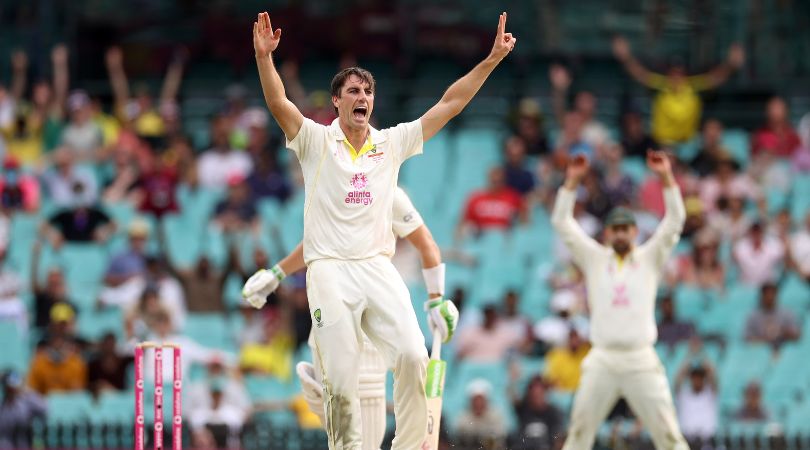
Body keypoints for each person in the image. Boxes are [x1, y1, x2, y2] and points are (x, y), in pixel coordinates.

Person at [245, 10, 513, 450]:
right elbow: (278, 104)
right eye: (353, 90)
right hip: (329, 270)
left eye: (368, 90)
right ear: (337, 101)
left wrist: (490, 60)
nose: (362, 96)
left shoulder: (391, 144)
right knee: (343, 378)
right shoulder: (314, 140)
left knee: (413, 356)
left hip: (376, 267)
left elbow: (450, 103)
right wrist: (264, 59)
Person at [244, 186, 454, 450]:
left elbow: (426, 244)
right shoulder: (334, 187)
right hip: (333, 318)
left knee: (366, 437)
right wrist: (276, 273)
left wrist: (436, 298)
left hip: (371, 332)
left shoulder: (387, 192)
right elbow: (315, 243)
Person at [552, 150, 689, 450]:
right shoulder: (595, 259)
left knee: (669, 437)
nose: (621, 235)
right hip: (602, 358)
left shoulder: (650, 257)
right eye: (615, 229)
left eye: (626, 229)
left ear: (635, 232)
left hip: (641, 358)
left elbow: (676, 220)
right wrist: (572, 182)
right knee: (578, 437)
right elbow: (562, 222)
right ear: (607, 233)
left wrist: (666, 177)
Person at [612, 36, 744, 145]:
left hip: (688, 145)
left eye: (680, 72)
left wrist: (730, 65)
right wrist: (626, 58)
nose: (677, 76)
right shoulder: (661, 85)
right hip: (662, 143)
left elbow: (714, 79)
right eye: (673, 72)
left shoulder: (692, 86)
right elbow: (641, 74)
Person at [459, 167, 526, 236]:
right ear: (488, 179)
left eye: (498, 181)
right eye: (493, 181)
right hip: (480, 238)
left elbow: (523, 223)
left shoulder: (513, 197)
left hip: (505, 238)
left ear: (504, 180)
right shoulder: (476, 198)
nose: (496, 183)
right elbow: (463, 223)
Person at [511, 376, 563, 450]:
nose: (537, 395)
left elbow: (557, 437)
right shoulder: (523, 410)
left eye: (540, 393)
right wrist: (514, 380)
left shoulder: (554, 413)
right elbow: (513, 396)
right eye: (534, 394)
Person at [453, 378, 508, 450]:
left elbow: (501, 435)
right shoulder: (463, 416)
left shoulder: (496, 415)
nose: (478, 403)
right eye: (475, 400)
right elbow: (458, 434)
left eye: (481, 400)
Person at [0, 370, 47, 449]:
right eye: (9, 387)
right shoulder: (3, 403)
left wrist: (26, 391)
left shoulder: (26, 400)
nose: (12, 389)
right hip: (5, 442)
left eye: (14, 386)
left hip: (23, 441)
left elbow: (44, 409)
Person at [744, 283, 800, 348]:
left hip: (783, 348)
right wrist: (765, 338)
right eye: (767, 295)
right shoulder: (753, 316)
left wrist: (781, 332)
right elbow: (747, 338)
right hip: (760, 349)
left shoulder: (786, 314)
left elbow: (796, 335)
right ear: (762, 296)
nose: (769, 298)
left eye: (772, 294)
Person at [674, 362, 718, 441]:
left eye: (700, 377)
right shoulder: (684, 394)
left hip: (706, 441)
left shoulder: (709, 394)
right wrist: (689, 359)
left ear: (704, 379)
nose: (697, 380)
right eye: (694, 377)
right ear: (690, 379)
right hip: (687, 439)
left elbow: (713, 378)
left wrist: (701, 355)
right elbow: (677, 383)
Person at [733, 222, 785, 287]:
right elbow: (733, 260)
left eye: (758, 231)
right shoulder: (741, 246)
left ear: (762, 232)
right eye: (754, 232)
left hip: (767, 287)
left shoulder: (773, 245)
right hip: (746, 286)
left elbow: (784, 258)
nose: (756, 234)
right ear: (750, 232)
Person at [543, 328, 591, 392]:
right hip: (563, 394)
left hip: (583, 391)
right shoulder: (555, 355)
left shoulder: (586, 352)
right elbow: (550, 379)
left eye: (576, 337)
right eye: (571, 338)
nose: (574, 341)